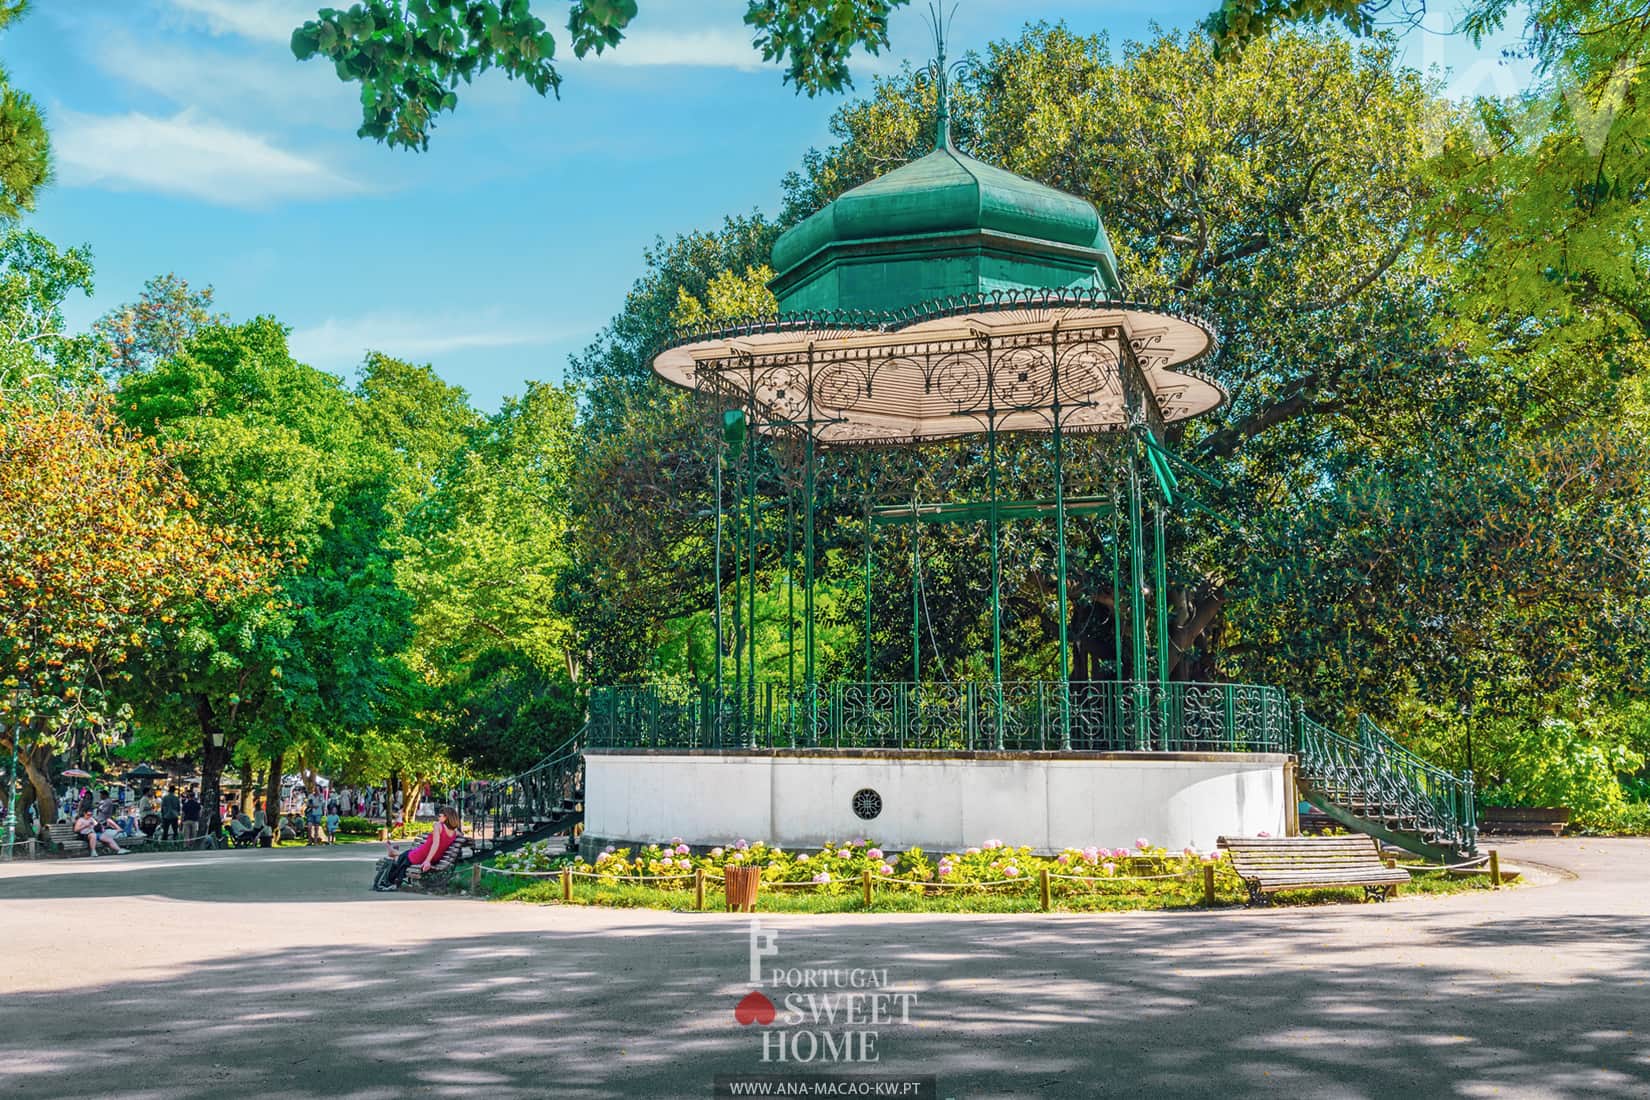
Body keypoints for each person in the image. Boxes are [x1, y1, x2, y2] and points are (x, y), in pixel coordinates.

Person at [374, 806, 461, 891]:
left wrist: (427, 861)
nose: (438, 817)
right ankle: (393, 852)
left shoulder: (438, 825)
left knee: (406, 856)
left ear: (446, 817)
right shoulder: (455, 832)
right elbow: (460, 836)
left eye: (439, 816)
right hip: (434, 857)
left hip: (423, 855)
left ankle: (393, 853)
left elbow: (435, 844)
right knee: (408, 853)